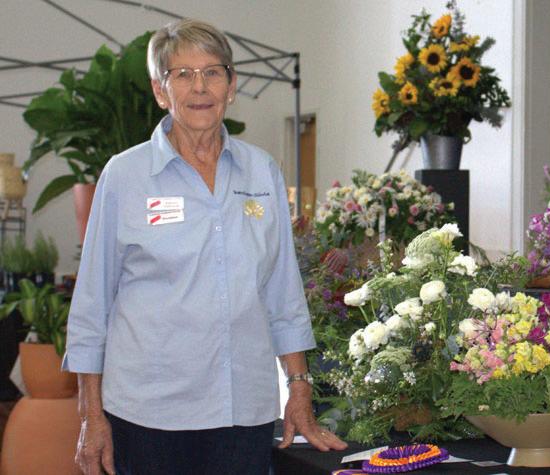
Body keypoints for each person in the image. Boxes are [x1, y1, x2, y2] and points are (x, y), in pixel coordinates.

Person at [63, 19, 346, 475]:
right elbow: (92, 305)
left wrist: (298, 386)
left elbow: (283, 292)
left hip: (244, 413)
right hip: (149, 416)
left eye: (213, 72)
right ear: (161, 91)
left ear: (231, 87)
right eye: (183, 74)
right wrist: (90, 415)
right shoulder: (125, 176)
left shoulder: (262, 172)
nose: (200, 87)